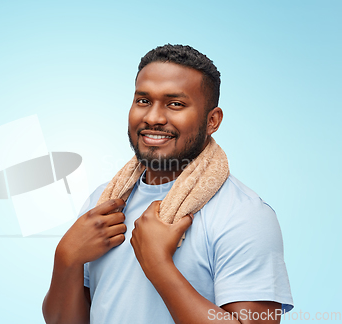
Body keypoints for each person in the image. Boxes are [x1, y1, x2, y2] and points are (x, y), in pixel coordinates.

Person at [42, 44, 293, 324]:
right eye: (143, 101)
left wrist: (159, 265)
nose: (153, 117)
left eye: (175, 104)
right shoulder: (103, 203)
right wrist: (66, 259)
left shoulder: (244, 215)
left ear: (212, 120)